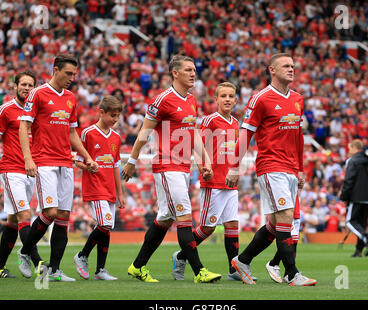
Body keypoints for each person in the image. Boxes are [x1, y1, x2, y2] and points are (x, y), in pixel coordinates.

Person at [122, 54, 221, 283]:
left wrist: (203, 161)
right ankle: (200, 271)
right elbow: (144, 132)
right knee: (184, 215)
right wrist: (132, 161)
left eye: (194, 69)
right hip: (167, 165)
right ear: (175, 73)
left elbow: (193, 133)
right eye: (188, 69)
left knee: (165, 219)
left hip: (184, 166)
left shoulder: (191, 100)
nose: (193, 73)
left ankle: (137, 266)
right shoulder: (162, 100)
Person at [225, 52, 316, 286]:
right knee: (286, 216)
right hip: (270, 165)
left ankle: (242, 260)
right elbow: (246, 134)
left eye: (293, 66)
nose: (291, 69)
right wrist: (234, 166)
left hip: (290, 168)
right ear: (272, 70)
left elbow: (298, 136)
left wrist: (301, 168)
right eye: (286, 66)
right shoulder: (260, 98)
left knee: (277, 225)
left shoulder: (297, 99)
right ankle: (293, 274)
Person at [17, 54, 98, 282]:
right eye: (68, 74)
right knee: (50, 213)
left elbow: (72, 132)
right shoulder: (38, 94)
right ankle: (25, 251)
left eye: (74, 74)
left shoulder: (71, 97)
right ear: (55, 70)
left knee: (63, 216)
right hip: (44, 160)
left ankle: (54, 270)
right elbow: (24, 126)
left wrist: (87, 157)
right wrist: (28, 158)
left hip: (65, 161)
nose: (71, 78)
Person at [171, 82, 248, 281]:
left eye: (231, 96)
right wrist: (202, 168)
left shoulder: (234, 123)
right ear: (216, 100)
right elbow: (196, 145)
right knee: (207, 228)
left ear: (236, 100)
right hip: (213, 182)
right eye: (223, 96)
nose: (228, 99)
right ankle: (180, 256)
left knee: (232, 224)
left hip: (230, 183)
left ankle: (234, 269)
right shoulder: (209, 121)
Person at [0, 70, 45, 279]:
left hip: (31, 172)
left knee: (12, 220)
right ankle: (39, 264)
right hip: (11, 170)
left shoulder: (37, 110)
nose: (27, 88)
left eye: (30, 85)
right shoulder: (5, 110)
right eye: (23, 85)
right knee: (25, 216)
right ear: (15, 86)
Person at [73, 96, 126, 281]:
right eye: (112, 115)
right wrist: (89, 166)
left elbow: (116, 166)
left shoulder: (116, 137)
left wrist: (120, 193)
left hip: (110, 189)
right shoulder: (88, 133)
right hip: (95, 188)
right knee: (105, 224)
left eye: (117, 117)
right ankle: (82, 256)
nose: (115, 120)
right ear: (101, 112)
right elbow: (78, 161)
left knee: (106, 227)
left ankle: (100, 270)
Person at [339, 139, 368, 257]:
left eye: (350, 148)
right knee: (361, 224)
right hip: (367, 198)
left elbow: (349, 180)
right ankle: (358, 251)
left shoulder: (352, 161)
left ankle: (367, 239)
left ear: (355, 148)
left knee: (350, 222)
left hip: (356, 197)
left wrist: (344, 196)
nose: (348, 151)